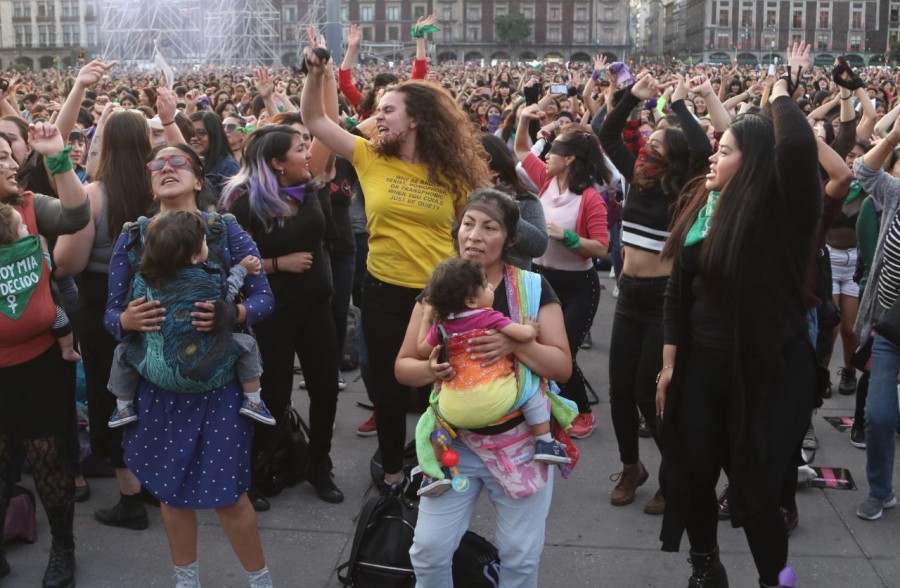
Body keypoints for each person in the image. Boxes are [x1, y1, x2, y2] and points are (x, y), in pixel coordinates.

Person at [656, 43, 820, 588]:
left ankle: (774, 578)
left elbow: (795, 142)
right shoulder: (706, 210)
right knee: (692, 475)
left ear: (750, 164)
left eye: (723, 150)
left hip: (766, 376)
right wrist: (670, 364)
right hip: (702, 370)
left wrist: (780, 86)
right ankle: (705, 566)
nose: (711, 155)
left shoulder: (784, 217)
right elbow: (680, 289)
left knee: (753, 491)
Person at [300, 40, 491, 490]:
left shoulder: (454, 173)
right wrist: (315, 76)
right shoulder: (368, 157)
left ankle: (438, 468)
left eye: (388, 109)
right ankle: (390, 471)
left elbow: (474, 233)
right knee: (387, 391)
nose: (377, 115)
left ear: (417, 119)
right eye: (378, 109)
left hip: (440, 298)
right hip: (383, 293)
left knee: (440, 388)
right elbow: (315, 121)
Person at [105, 144, 275, 587]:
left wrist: (233, 314)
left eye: (176, 162)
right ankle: (187, 581)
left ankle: (260, 581)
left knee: (231, 498)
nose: (165, 167)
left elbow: (264, 298)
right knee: (170, 492)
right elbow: (109, 314)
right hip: (158, 389)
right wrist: (124, 320)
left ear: (199, 179)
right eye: (156, 164)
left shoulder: (224, 231)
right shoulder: (132, 236)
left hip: (218, 389)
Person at [395, 189, 573, 587]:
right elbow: (405, 367)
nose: (474, 235)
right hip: (453, 445)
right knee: (428, 550)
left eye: (489, 227)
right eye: (469, 224)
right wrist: (432, 368)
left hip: (521, 444)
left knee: (519, 556)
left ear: (509, 239)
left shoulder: (532, 288)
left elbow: (561, 366)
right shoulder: (440, 289)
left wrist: (516, 343)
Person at [598, 74, 713, 513]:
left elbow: (703, 150)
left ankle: (672, 473)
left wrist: (680, 107)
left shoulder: (686, 191)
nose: (646, 149)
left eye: (657, 147)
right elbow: (608, 134)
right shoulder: (637, 178)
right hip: (629, 298)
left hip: (664, 299)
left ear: (675, 159)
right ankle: (632, 467)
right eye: (647, 145)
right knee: (620, 391)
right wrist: (632, 98)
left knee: (651, 394)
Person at [220, 124, 345, 505]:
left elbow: (329, 239)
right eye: (298, 149)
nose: (307, 154)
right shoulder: (245, 205)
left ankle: (318, 463)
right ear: (276, 163)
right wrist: (276, 263)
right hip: (272, 311)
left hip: (316, 308)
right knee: (273, 394)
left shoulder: (311, 190)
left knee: (325, 387)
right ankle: (257, 469)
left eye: (307, 147)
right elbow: (228, 262)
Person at [53, 109, 156, 532]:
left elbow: (67, 261)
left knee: (110, 395)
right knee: (150, 389)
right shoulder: (158, 189)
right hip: (153, 304)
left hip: (101, 308)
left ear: (106, 145)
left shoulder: (95, 193)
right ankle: (151, 479)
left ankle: (130, 497)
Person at [0, 121, 89, 588]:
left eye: (9, 154)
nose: (13, 163)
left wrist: (58, 157)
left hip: (38, 366)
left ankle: (64, 548)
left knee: (48, 459)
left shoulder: (31, 207)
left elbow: (76, 215)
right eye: (0, 159)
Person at [414, 257, 571, 496]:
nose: (490, 289)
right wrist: (531, 327)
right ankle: (545, 441)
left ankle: (437, 473)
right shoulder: (488, 316)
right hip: (497, 402)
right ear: (471, 300)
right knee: (532, 388)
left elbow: (421, 350)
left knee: (433, 418)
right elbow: (522, 335)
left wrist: (427, 316)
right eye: (486, 286)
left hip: (454, 410)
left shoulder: (442, 327)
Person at [105, 210, 274, 428]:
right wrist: (241, 271)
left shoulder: (146, 281)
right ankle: (254, 401)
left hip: (156, 371)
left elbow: (264, 299)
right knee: (248, 345)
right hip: (210, 368)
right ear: (194, 256)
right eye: (204, 241)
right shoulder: (209, 280)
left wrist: (125, 319)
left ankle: (123, 406)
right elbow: (230, 290)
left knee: (122, 352)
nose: (166, 172)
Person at [514, 105, 610, 439]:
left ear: (569, 159)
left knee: (563, 352)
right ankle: (546, 407)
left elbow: (601, 247)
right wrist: (524, 119)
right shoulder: (545, 179)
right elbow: (523, 150)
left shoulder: (589, 198)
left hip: (578, 285)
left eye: (553, 152)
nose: (547, 157)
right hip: (541, 280)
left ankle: (583, 411)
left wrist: (567, 237)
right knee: (537, 348)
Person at [0, 203, 81, 362]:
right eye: (22, 226)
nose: (26, 226)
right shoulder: (30, 252)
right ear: (12, 236)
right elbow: (47, 269)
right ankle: (68, 348)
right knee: (59, 316)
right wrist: (43, 248)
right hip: (39, 317)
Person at [189, 111, 240, 201]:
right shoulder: (193, 163)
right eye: (191, 133)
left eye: (201, 133)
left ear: (215, 134)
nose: (195, 138)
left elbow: (234, 204)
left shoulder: (228, 166)